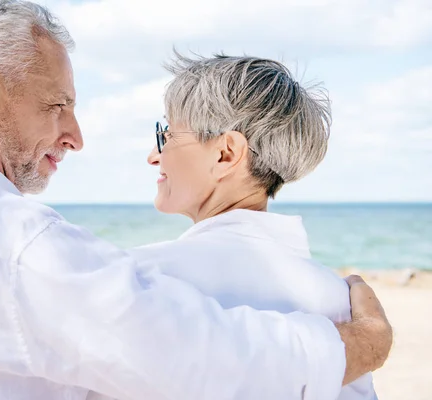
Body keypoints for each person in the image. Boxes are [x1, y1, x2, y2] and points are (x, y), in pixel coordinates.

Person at [0, 1, 391, 399]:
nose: (76, 136)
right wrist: (362, 343)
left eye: (164, 135)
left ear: (227, 154)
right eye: (58, 105)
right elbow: (202, 358)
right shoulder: (16, 241)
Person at [88, 54, 381, 400]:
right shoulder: (342, 304)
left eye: (167, 134)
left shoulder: (142, 278)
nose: (154, 154)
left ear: (226, 153)